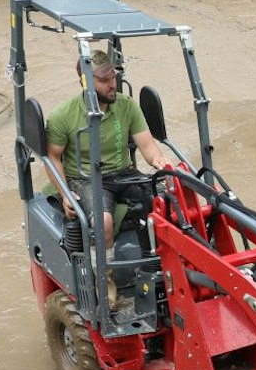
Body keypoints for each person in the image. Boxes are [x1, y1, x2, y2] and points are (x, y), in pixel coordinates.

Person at [44, 48, 183, 299]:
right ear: (85, 82)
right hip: (86, 178)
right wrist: (65, 193)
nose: (112, 85)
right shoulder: (63, 115)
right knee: (103, 220)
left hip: (123, 173)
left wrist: (160, 161)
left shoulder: (127, 106)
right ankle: (105, 287)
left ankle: (156, 272)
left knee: (163, 206)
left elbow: (147, 144)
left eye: (113, 77)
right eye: (104, 80)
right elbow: (52, 156)